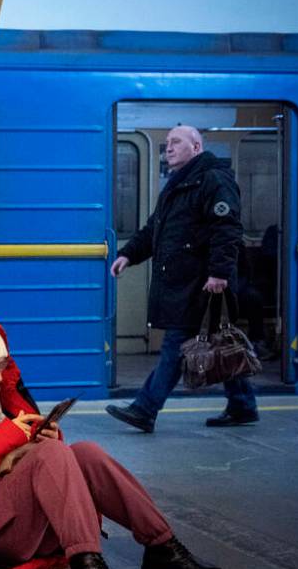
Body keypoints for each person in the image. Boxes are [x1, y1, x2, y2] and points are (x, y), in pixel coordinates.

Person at [0, 306, 225, 569]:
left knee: (85, 453)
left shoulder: (2, 400)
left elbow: (36, 462)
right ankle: (85, 566)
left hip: (19, 517)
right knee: (52, 453)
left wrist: (42, 438)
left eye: (1, 367)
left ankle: (161, 545)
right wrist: (12, 440)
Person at [107, 125, 258, 431]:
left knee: (177, 346)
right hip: (187, 282)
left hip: (200, 283)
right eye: (166, 144)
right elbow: (155, 229)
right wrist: (129, 254)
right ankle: (242, 405)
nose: (169, 148)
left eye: (176, 142)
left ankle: (145, 409)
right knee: (218, 342)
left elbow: (227, 228)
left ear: (197, 147)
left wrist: (219, 272)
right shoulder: (180, 184)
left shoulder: (213, 180)